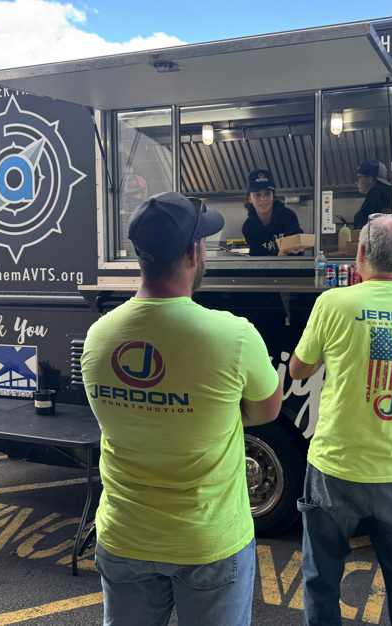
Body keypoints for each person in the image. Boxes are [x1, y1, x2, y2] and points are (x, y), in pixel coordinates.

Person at [81, 191, 282, 626]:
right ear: (194, 252)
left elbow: (118, 418)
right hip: (207, 542)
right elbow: (267, 410)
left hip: (125, 536)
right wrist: (215, 411)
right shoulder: (233, 336)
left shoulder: (98, 336)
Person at [289, 213, 392, 626]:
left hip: (335, 466)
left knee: (321, 579)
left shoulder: (334, 302)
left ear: (360, 253)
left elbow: (298, 370)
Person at [242, 168, 305, 256]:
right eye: (258, 195)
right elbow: (257, 262)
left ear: (273, 195)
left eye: (267, 193)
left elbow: (295, 235)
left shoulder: (288, 216)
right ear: (250, 199)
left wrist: (295, 245)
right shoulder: (248, 227)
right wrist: (277, 259)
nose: (263, 199)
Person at [353, 160, 392, 230]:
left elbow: (367, 226)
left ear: (370, 179)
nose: (356, 183)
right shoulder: (388, 193)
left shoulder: (375, 194)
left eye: (358, 178)